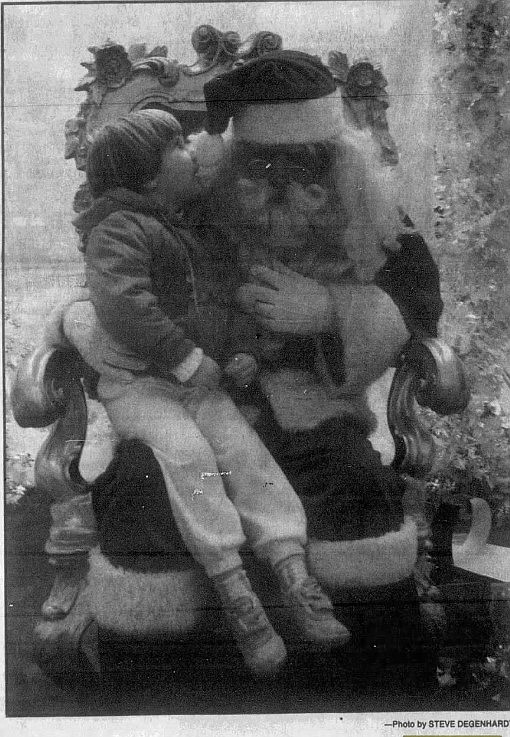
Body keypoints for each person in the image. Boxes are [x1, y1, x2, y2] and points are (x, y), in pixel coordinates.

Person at [63, 108, 349, 677]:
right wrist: (189, 359)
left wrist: (243, 351)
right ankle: (235, 591)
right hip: (141, 387)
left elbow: (220, 305)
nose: (191, 150)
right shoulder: (116, 230)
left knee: (246, 453)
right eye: (175, 146)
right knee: (189, 455)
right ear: (146, 175)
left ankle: (294, 573)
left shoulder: (188, 230)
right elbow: (125, 306)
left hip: (199, 382)